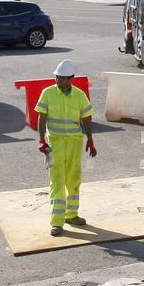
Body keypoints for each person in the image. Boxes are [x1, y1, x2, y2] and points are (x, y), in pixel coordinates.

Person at [35, 59, 96, 236]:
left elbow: (86, 119)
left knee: (74, 179)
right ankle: (57, 222)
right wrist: (41, 140)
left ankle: (72, 215)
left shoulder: (79, 95)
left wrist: (90, 140)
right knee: (57, 181)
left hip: (75, 142)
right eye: (56, 78)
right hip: (54, 143)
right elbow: (42, 117)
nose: (58, 81)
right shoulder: (47, 93)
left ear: (71, 79)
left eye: (62, 79)